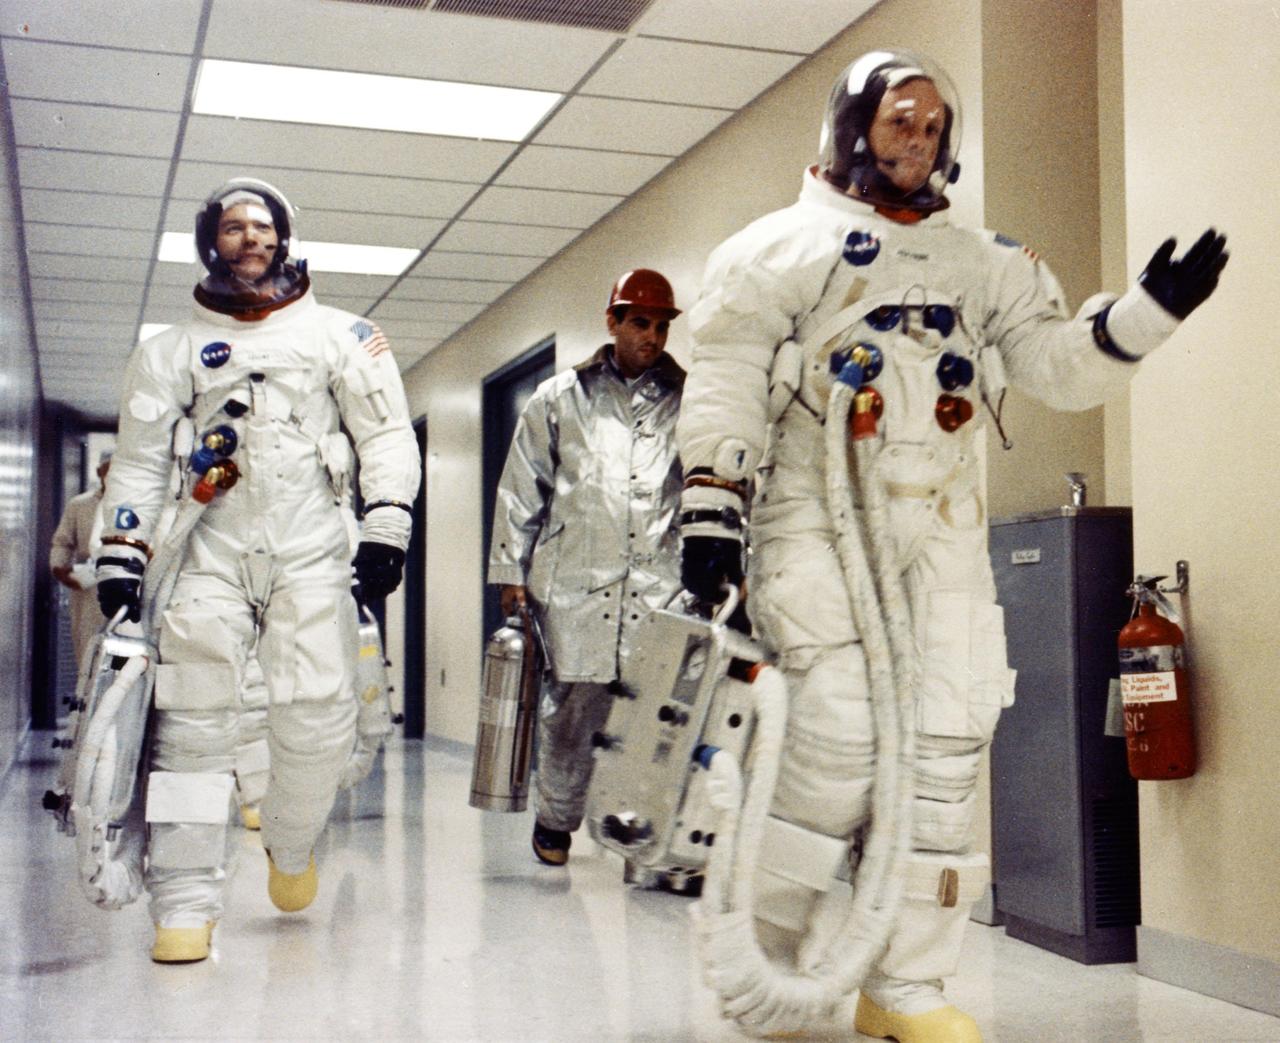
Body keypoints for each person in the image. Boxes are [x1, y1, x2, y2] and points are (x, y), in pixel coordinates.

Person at [675, 51, 1227, 1042]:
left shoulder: (988, 263)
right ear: (851, 127)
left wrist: (1145, 313)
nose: (915, 140)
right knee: (830, 745)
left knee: (942, 757)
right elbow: (723, 377)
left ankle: (905, 984)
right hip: (815, 520)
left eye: (931, 128)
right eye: (898, 122)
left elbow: (1057, 368)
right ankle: (767, 969)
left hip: (940, 533)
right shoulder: (775, 251)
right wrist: (710, 508)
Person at [95, 178, 420, 963]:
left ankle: (291, 840)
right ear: (212, 241)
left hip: (312, 548)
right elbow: (138, 465)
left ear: (286, 237)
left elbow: (384, 438)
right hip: (208, 548)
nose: (252, 239)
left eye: (264, 226)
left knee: (316, 712)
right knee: (194, 722)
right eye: (234, 227)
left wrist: (387, 523)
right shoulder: (168, 351)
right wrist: (122, 551)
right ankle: (185, 901)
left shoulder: (346, 336)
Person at [488, 269, 685, 869]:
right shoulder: (559, 398)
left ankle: (638, 834)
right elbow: (522, 488)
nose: (650, 336)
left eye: (660, 325)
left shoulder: (690, 399)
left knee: (652, 713)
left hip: (659, 581)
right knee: (572, 706)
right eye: (638, 322)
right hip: (574, 579)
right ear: (613, 321)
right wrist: (509, 571)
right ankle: (557, 819)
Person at [50, 449, 111, 669]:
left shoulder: (138, 504)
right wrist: (60, 569)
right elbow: (62, 542)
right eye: (107, 470)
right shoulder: (80, 505)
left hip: (125, 581)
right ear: (99, 472)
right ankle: (86, 700)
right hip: (88, 588)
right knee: (87, 649)